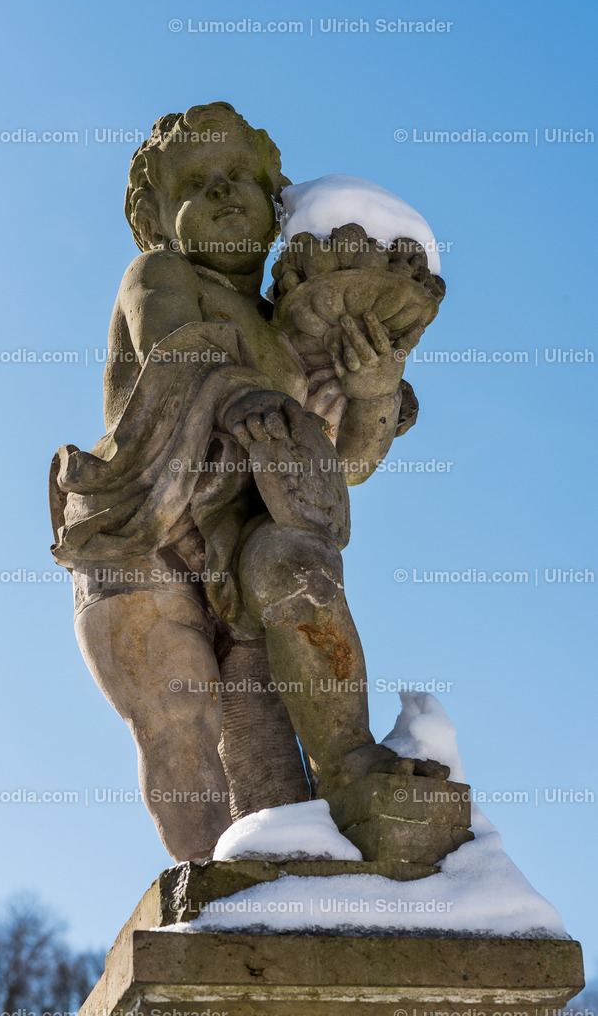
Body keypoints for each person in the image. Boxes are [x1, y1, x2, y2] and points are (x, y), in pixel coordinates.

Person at [49, 102, 447, 863]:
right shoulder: (161, 273)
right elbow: (179, 352)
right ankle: (205, 883)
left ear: (275, 205)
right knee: (180, 718)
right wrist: (253, 398)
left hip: (245, 536)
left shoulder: (286, 326)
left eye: (240, 177)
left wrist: (370, 388)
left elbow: (344, 464)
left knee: (296, 585)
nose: (225, 192)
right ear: (156, 220)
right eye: (198, 184)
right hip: (144, 531)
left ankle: (347, 768)